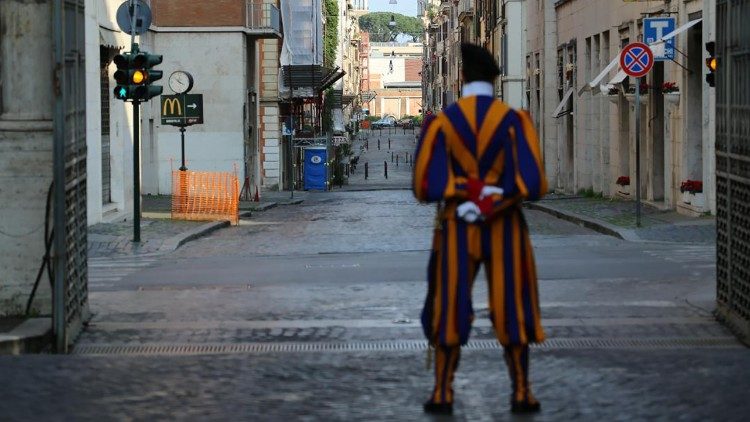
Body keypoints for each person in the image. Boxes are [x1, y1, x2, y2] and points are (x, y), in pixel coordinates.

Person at [413, 43, 548, 415]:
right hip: (506, 225)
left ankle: (442, 391)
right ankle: (522, 389)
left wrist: (464, 193)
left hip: (456, 226)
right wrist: (495, 197)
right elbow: (534, 182)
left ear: (461, 77)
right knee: (514, 303)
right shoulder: (515, 120)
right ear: (495, 78)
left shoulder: (441, 123)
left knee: (449, 303)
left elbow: (425, 184)